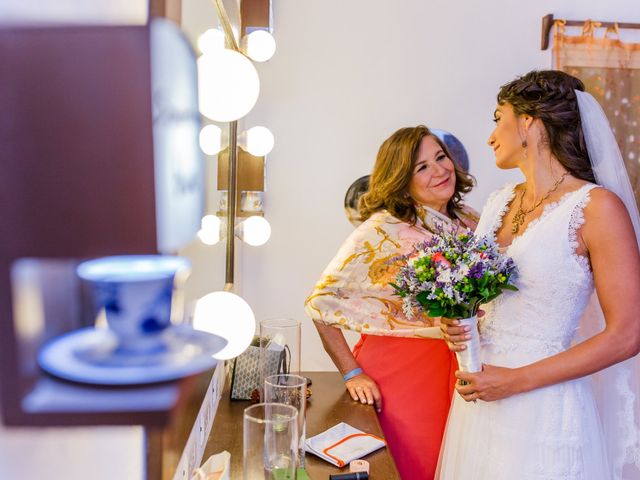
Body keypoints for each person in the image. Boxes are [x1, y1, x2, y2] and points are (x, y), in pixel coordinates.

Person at [437, 70, 640, 479]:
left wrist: (517, 380)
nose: (492, 136)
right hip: (481, 400)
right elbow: (484, 302)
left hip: (546, 408)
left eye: (498, 118)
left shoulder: (597, 208)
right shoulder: (497, 203)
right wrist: (457, 321)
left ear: (528, 121)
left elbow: (629, 334)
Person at [305, 125, 478, 479]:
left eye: (440, 157)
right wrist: (352, 373)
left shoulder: (472, 220)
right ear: (402, 180)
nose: (440, 171)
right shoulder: (381, 231)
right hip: (403, 375)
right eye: (422, 168)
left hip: (463, 368)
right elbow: (320, 305)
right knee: (416, 466)